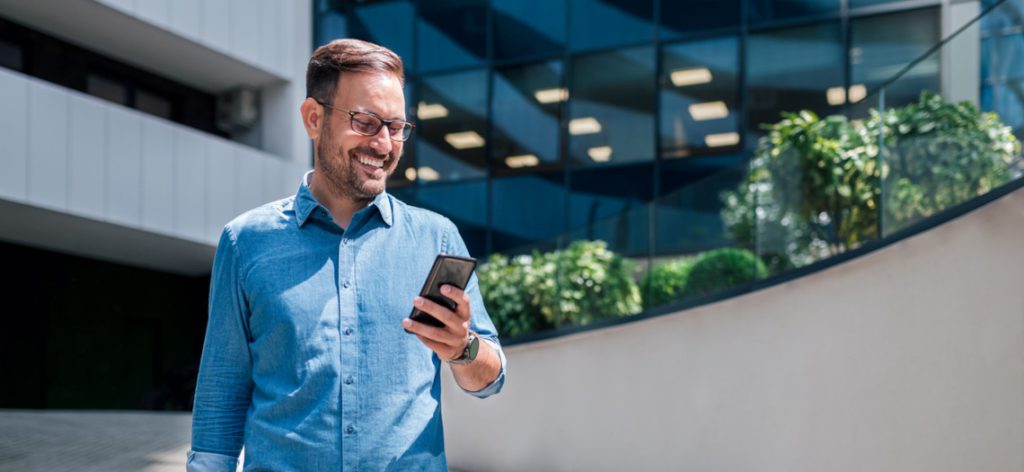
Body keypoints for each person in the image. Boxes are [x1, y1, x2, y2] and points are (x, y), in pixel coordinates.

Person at [187, 38, 506, 472]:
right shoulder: (246, 242)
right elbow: (221, 394)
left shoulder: (438, 239)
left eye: (396, 127)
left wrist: (461, 348)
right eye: (366, 122)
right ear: (313, 118)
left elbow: (490, 380)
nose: (384, 144)